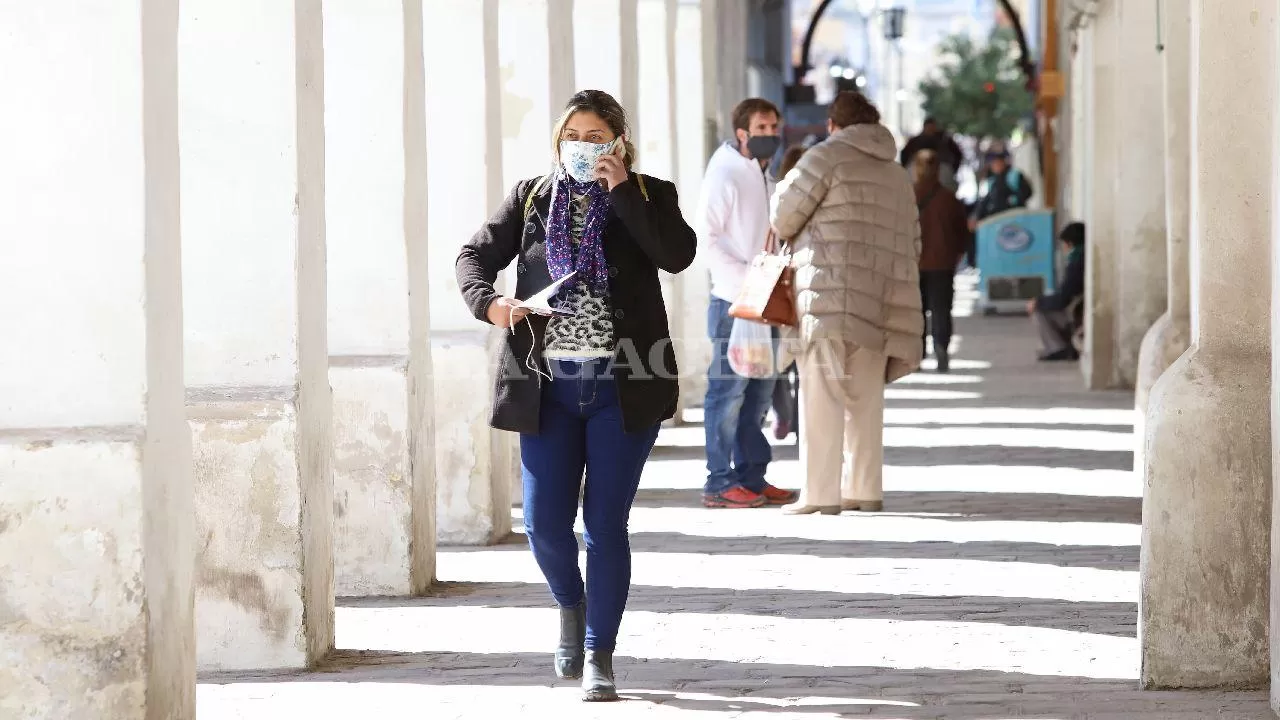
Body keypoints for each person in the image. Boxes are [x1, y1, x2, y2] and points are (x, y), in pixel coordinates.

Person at [455, 90, 696, 702]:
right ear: (558, 140)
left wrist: (622, 193)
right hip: (548, 385)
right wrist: (492, 304)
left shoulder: (649, 194)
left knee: (605, 525)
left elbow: (677, 254)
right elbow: (473, 255)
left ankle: (599, 654)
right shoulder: (532, 197)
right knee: (542, 525)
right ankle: (571, 602)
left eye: (597, 137)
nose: (584, 148)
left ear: (618, 142)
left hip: (626, 382)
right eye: (575, 137)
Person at [770, 91, 923, 516]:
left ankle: (820, 494)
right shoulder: (896, 174)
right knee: (866, 398)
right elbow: (913, 241)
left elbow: (783, 217)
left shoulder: (824, 157)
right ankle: (864, 489)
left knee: (821, 394)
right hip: (880, 299)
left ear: (834, 125)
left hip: (827, 296)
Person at [695, 98, 798, 509]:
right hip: (732, 303)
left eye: (774, 126)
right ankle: (718, 482)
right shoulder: (724, 174)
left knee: (759, 392)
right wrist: (747, 279)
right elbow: (707, 238)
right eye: (761, 127)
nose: (770, 134)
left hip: (766, 300)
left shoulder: (763, 175)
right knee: (727, 393)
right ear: (742, 133)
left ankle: (752, 477)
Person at [914, 149, 971, 373]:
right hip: (942, 264)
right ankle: (941, 348)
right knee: (941, 309)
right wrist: (955, 255)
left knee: (915, 311)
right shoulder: (949, 199)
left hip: (913, 263)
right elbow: (962, 234)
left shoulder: (907, 196)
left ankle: (917, 355)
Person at [770, 144, 809, 439]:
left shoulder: (776, 193)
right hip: (796, 284)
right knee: (797, 360)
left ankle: (785, 415)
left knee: (783, 360)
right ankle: (792, 417)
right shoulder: (806, 197)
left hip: (781, 285)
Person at [1028, 221, 1086, 361]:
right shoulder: (1082, 259)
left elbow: (1063, 299)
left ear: (1070, 244)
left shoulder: (1076, 264)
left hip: (1077, 312)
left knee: (1039, 310)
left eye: (1064, 245)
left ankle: (1058, 348)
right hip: (1079, 308)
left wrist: (1038, 301)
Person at [971, 146, 1032, 227]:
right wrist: (976, 216)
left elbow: (1027, 192)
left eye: (997, 162)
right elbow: (987, 200)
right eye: (993, 163)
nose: (995, 165)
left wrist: (1013, 200)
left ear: (1003, 162)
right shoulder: (992, 181)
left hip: (1015, 218)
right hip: (998, 221)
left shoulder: (1014, 175)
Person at [900, 117, 963, 190]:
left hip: (942, 173)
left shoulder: (945, 141)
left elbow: (957, 155)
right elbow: (904, 156)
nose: (930, 130)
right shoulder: (914, 142)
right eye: (929, 128)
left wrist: (953, 168)